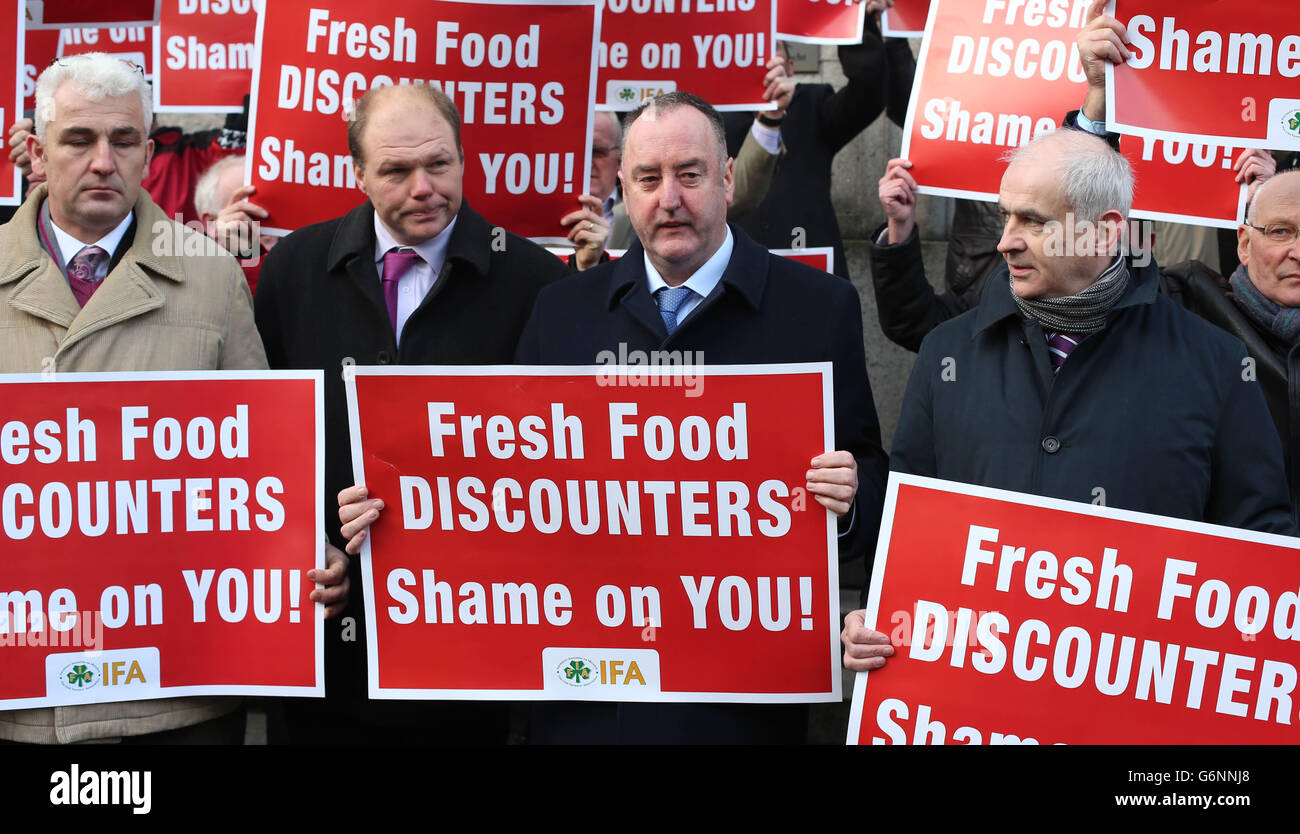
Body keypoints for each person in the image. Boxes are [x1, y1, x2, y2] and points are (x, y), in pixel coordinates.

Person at [505, 92, 888, 743]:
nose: (669, 199)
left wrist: (849, 497)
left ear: (729, 179)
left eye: (689, 174)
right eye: (648, 180)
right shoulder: (560, 313)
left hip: (740, 706)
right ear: (623, 189)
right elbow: (506, 486)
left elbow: (872, 483)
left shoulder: (817, 309)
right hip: (588, 701)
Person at [842, 128, 1295, 673]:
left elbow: (1259, 547)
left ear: (1104, 233)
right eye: (1006, 215)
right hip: (973, 695)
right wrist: (874, 616)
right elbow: (905, 522)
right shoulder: (948, 351)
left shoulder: (1217, 364)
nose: (1006, 240)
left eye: (1032, 221)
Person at [0, 52, 347, 744]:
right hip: (24, 695)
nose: (104, 161)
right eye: (80, 139)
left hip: (177, 695)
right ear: (37, 153)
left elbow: (261, 463)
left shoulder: (213, 280)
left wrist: (309, 549)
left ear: (148, 148)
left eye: (126, 140)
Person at [255, 82, 572, 744]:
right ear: (359, 175)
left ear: (464, 156)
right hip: (331, 645)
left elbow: (563, 465)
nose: (424, 187)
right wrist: (307, 542)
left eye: (440, 163)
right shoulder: (295, 270)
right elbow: (266, 438)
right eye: (397, 171)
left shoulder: (538, 283)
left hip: (478, 650)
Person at [724, 2, 915, 279]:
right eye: (753, 47)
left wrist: (857, 23)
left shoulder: (812, 104)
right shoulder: (710, 118)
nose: (761, 56)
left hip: (809, 272)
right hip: (739, 277)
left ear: (790, 67)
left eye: (771, 47)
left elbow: (869, 91)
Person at [1164, 170, 1300, 518]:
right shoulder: (1185, 306)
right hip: (1212, 566)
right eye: (1281, 231)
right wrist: (1097, 126)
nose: (1297, 252)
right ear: (1244, 243)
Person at [194, 153, 276, 293]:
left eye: (269, 207)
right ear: (212, 223)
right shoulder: (195, 275)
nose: (262, 219)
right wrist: (248, 255)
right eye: (246, 211)